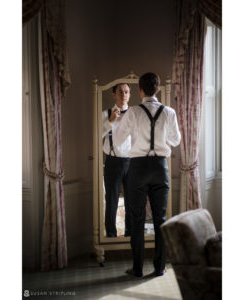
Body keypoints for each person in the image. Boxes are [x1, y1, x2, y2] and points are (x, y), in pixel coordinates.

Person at [112, 72, 181, 277]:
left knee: (137, 218)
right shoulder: (169, 112)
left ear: (140, 90)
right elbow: (176, 140)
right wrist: (161, 135)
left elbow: (117, 141)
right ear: (157, 89)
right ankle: (160, 267)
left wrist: (117, 123)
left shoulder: (132, 112)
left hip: (138, 168)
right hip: (161, 167)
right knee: (161, 219)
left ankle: (137, 268)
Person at [102, 83, 132, 237]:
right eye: (120, 92)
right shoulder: (105, 114)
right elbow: (96, 136)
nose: (124, 95)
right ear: (114, 95)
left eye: (127, 92)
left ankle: (130, 234)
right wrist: (110, 121)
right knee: (112, 201)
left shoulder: (135, 114)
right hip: (113, 162)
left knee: (132, 202)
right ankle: (111, 236)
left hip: (133, 163)